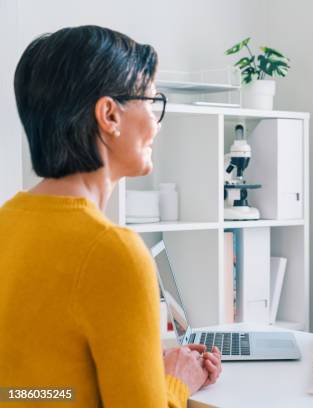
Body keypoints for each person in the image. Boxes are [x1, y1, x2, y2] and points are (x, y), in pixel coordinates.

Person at [0, 25, 221, 407]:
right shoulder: (113, 253)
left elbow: (25, 391)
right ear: (109, 115)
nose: (155, 124)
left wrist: (138, 370)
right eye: (151, 104)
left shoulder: (8, 223)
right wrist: (175, 382)